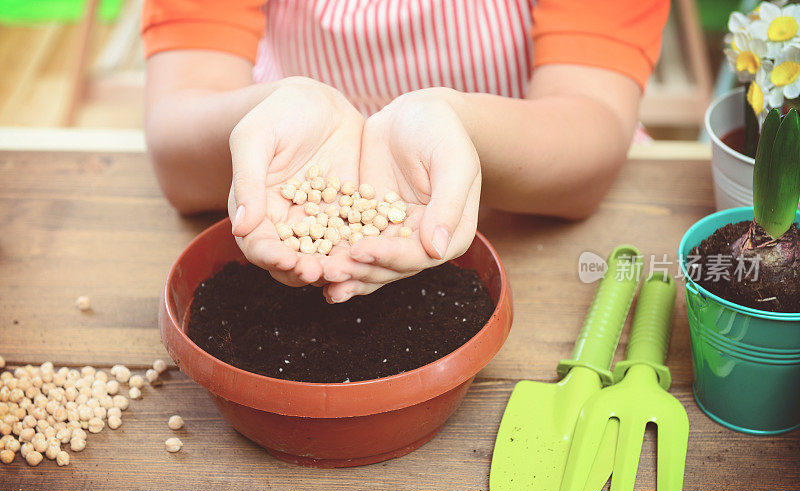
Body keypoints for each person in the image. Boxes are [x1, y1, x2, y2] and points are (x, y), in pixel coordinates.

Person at [142, 0, 669, 303]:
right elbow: (177, 149)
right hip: (292, 156)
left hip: (523, 184)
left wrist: (460, 126)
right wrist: (271, 110)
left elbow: (590, 130)